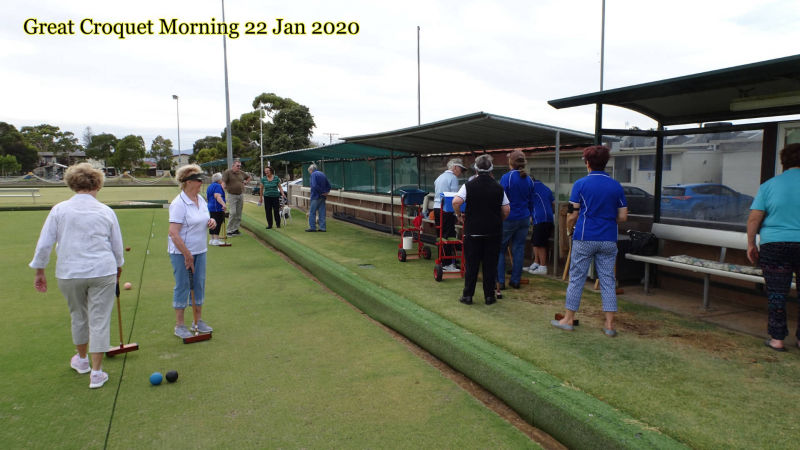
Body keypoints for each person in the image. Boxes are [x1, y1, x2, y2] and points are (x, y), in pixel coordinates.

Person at [29, 163, 124, 389]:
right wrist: (119, 267)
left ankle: (82, 361)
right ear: (98, 184)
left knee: (78, 315)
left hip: (70, 272)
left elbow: (44, 244)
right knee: (99, 319)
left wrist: (39, 270)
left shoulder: (59, 210)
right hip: (102, 271)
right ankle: (97, 372)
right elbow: (117, 247)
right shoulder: (105, 211)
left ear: (72, 184)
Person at [553, 145, 627, 336]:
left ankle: (568, 319)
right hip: (609, 238)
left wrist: (570, 229)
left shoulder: (580, 184)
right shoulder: (616, 185)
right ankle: (609, 325)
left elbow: (572, 214)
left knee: (577, 279)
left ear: (588, 163)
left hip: (585, 237)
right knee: (608, 281)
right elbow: (623, 216)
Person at [746, 143, 800, 352]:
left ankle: (777, 339)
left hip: (774, 245)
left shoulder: (769, 185)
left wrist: (751, 244)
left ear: (784, 162)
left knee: (777, 293)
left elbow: (754, 218)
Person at [452, 154, 510, 305]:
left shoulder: (468, 185)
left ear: (476, 169)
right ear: (492, 169)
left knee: (471, 265)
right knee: (490, 265)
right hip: (493, 232)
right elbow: (506, 209)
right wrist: (498, 220)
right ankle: (489, 297)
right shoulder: (498, 187)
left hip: (473, 231)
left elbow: (456, 201)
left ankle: (468, 296)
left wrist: (459, 215)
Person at [169, 165, 217, 339]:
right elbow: (173, 233)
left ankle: (198, 320)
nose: (201, 182)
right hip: (181, 252)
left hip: (200, 250)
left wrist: (211, 222)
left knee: (199, 285)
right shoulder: (178, 204)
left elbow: (204, 218)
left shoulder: (201, 199)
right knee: (182, 285)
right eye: (198, 179)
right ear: (188, 182)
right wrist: (187, 255)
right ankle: (179, 325)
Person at [497, 150, 535, 289]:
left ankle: (500, 281)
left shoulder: (507, 178)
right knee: (519, 249)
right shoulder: (529, 179)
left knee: (500, 248)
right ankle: (515, 280)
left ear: (510, 162)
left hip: (508, 218)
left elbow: (501, 199)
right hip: (524, 217)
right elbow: (531, 200)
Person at [433, 158, 467, 272]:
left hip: (437, 208)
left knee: (441, 235)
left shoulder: (439, 177)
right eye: (460, 169)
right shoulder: (453, 178)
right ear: (455, 167)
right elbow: (454, 198)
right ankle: (447, 264)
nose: (460, 172)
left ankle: (444, 260)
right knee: (448, 235)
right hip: (446, 210)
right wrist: (458, 214)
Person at [527, 175, 555, 275]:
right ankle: (536, 263)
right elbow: (553, 203)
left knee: (540, 243)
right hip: (546, 218)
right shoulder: (545, 187)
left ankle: (543, 266)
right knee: (535, 241)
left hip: (541, 218)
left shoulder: (531, 188)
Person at [222, 158, 251, 237]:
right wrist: (221, 190)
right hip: (232, 195)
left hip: (240, 195)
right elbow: (223, 182)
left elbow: (249, 177)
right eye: (237, 166)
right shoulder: (228, 172)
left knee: (238, 213)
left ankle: (235, 229)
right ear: (233, 166)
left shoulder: (241, 173)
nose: (239, 167)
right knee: (233, 212)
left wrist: (245, 182)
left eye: (240, 166)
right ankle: (229, 230)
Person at [307, 164, 331, 232]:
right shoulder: (322, 174)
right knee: (322, 212)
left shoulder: (313, 174)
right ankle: (322, 228)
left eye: (309, 171)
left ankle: (312, 227)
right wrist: (326, 192)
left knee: (312, 212)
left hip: (315, 196)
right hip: (323, 196)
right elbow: (329, 185)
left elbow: (314, 185)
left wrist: (321, 192)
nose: (310, 173)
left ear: (311, 170)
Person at [206, 172, 227, 246]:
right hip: (217, 208)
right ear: (219, 179)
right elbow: (217, 196)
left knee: (212, 222)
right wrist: (223, 204)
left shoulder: (210, 186)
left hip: (211, 207)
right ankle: (216, 239)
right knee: (217, 222)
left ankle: (212, 239)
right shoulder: (218, 186)